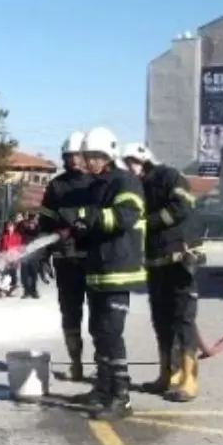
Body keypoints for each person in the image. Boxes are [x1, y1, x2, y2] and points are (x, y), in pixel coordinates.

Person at [66, 127, 147, 420]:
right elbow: (92, 223)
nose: (88, 163)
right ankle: (102, 389)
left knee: (112, 334)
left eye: (92, 157)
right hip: (97, 270)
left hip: (118, 270)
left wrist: (90, 220)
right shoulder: (97, 184)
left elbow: (125, 216)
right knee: (98, 332)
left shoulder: (125, 181)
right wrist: (79, 230)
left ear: (106, 155)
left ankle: (121, 397)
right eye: (86, 158)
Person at [122, 142, 202, 403]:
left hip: (180, 260)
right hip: (156, 264)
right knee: (161, 322)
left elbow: (181, 207)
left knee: (183, 320)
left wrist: (148, 223)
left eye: (133, 161)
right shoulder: (137, 187)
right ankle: (165, 375)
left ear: (144, 159)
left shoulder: (169, 176)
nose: (130, 166)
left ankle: (189, 379)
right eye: (127, 162)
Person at [35, 131, 102, 382]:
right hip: (65, 258)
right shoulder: (56, 186)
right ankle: (76, 363)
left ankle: (101, 364)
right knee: (70, 313)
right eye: (69, 156)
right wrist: (44, 253)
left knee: (99, 315)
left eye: (77, 155)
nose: (74, 160)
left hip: (92, 257)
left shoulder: (97, 183)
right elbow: (46, 222)